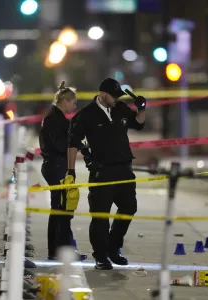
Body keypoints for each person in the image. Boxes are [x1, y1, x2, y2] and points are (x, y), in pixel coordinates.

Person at [66, 78, 146, 270]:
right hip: (102, 170)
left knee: (129, 208)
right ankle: (101, 256)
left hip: (124, 167)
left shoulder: (120, 108)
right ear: (102, 94)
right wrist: (71, 171)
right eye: (114, 96)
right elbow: (73, 143)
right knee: (100, 215)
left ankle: (113, 248)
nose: (117, 99)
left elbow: (138, 124)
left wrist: (142, 108)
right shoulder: (86, 115)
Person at [39, 81, 87, 261]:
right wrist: (75, 145)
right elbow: (61, 144)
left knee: (61, 209)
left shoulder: (55, 117)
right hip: (55, 166)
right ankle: (60, 250)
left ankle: (60, 249)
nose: (74, 106)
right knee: (61, 210)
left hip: (55, 166)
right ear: (65, 101)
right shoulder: (54, 118)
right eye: (73, 103)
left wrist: (79, 145)